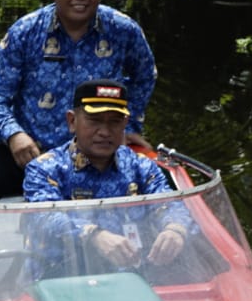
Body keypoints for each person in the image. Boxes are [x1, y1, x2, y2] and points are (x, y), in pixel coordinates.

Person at [0, 0, 157, 207]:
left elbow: (146, 76)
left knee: (144, 185)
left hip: (97, 146)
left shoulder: (124, 30)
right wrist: (14, 135)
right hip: (31, 146)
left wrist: (129, 124)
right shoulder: (26, 30)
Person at [22, 80, 189, 275]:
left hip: (131, 276)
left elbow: (170, 203)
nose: (104, 132)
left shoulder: (140, 165)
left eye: (115, 122)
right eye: (94, 120)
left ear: (125, 124)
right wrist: (93, 235)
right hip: (61, 276)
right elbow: (45, 217)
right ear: (72, 121)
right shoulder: (44, 168)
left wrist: (175, 229)